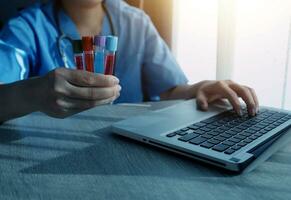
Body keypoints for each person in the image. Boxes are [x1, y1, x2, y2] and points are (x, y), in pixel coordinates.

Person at [0, 0, 259, 123]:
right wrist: (33, 93)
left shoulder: (136, 22)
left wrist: (198, 89)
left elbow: (169, 89)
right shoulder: (25, 29)